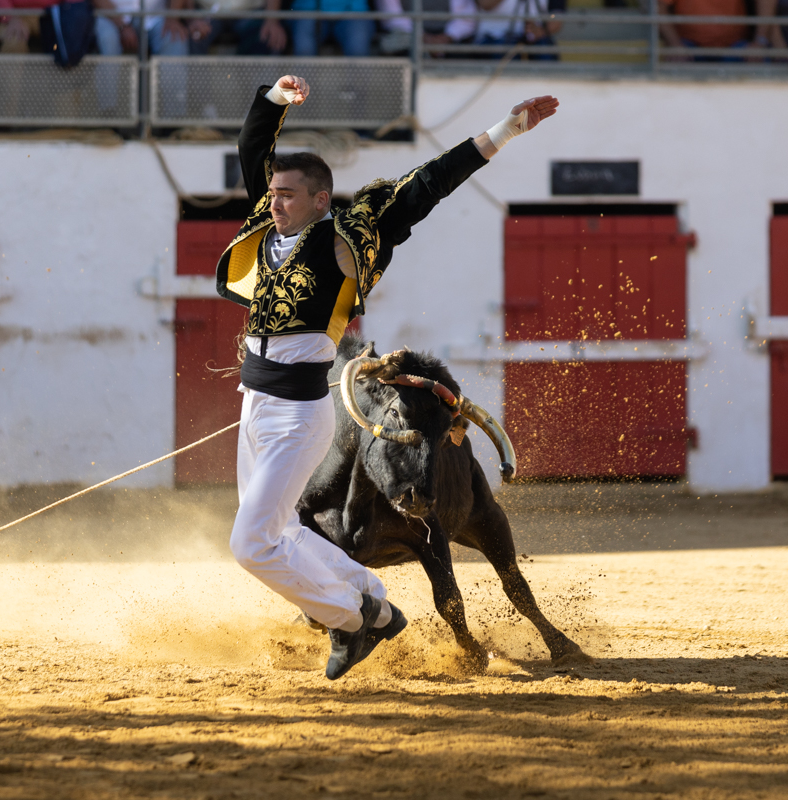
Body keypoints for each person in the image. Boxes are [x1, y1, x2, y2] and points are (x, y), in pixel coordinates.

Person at [215, 74, 558, 680]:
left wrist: (506, 130)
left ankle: (360, 619)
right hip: (255, 403)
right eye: (273, 194)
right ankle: (365, 588)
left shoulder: (345, 239)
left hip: (298, 414)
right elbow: (252, 147)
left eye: (288, 195)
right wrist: (275, 99)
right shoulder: (267, 233)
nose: (275, 203)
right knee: (279, 530)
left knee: (250, 544)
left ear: (321, 199)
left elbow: (428, 184)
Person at [658, 0, 756, 59]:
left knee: (756, 58)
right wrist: (675, 45)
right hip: (688, 47)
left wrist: (759, 41)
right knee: (674, 63)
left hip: (736, 46)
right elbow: (659, 7)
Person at [184, 0, 287, 54]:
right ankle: (197, 88)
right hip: (206, 12)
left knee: (269, 38)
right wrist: (192, 18)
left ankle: (257, 88)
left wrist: (272, 20)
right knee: (195, 36)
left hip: (251, 12)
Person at [472, 0, 564, 59]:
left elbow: (556, 20)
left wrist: (540, 31)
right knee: (504, 51)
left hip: (533, 39)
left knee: (545, 51)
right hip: (494, 38)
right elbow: (485, 4)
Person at [93, 0, 190, 56]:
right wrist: (121, 25)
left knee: (174, 35)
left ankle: (173, 87)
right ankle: (108, 86)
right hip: (110, 15)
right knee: (109, 38)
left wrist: (172, 18)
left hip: (155, 16)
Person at [290, 0, 375, 56]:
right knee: (304, 47)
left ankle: (359, 79)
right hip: (308, 10)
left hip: (353, 11)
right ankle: (302, 78)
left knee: (358, 45)